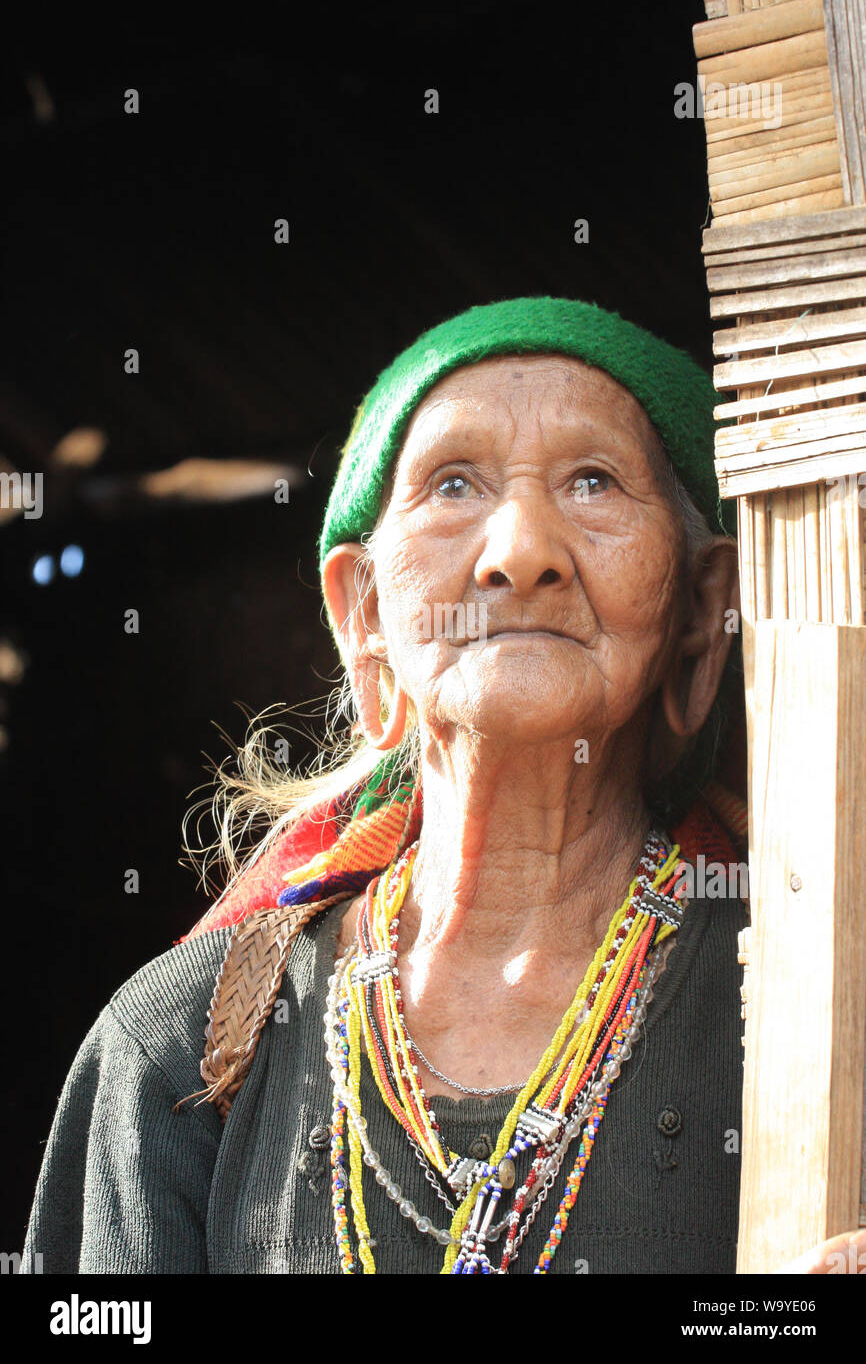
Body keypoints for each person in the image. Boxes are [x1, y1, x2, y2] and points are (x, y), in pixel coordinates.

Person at [21, 296, 865, 1275]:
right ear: (361, 612)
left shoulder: (818, 1010)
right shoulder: (179, 1051)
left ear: (698, 607)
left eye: (592, 481)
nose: (520, 553)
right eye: (453, 483)